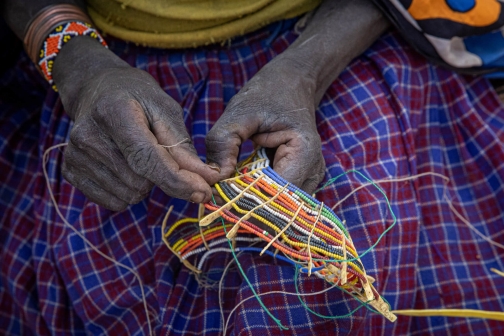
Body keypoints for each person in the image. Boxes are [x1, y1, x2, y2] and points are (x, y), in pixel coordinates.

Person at [1, 0, 503, 334]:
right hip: (105, 72)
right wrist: (81, 71)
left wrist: (305, 72)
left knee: (320, 298)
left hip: (343, 41)